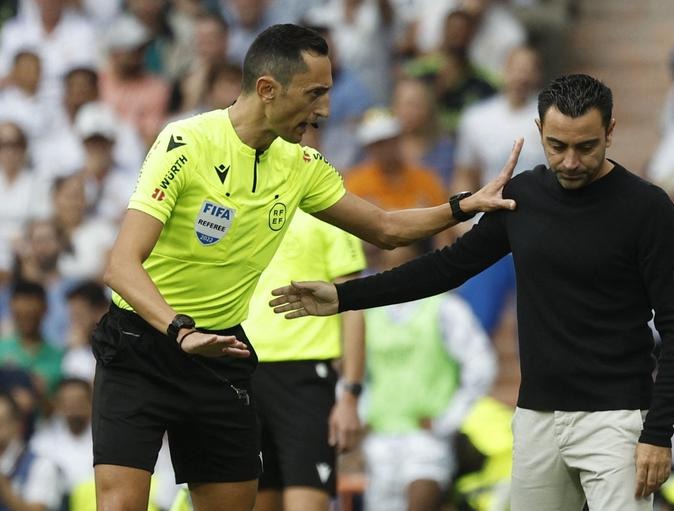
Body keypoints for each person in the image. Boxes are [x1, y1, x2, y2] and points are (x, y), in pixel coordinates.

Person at [94, 23, 518, 511]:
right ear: (267, 89)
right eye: (314, 93)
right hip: (141, 344)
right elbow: (121, 266)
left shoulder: (300, 165)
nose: (325, 110)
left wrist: (464, 206)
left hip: (220, 352)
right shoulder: (186, 143)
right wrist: (180, 330)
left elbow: (385, 227)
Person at [271, 73, 674, 511]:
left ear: (610, 131)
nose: (570, 161)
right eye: (557, 146)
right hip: (537, 419)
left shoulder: (648, 208)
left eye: (586, 146)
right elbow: (444, 268)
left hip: (617, 418)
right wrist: (345, 297)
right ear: (539, 131)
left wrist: (658, 432)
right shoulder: (522, 197)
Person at [242, 211, 367, 511]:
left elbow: (353, 304)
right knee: (255, 499)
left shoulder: (330, 209)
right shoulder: (242, 202)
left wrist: (351, 394)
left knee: (307, 501)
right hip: (243, 371)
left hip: (306, 378)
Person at [360, 241, 496, 511]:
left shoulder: (445, 308)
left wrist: (448, 419)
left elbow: (480, 365)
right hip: (380, 436)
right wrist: (363, 416)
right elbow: (358, 374)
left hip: (426, 437)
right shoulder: (369, 313)